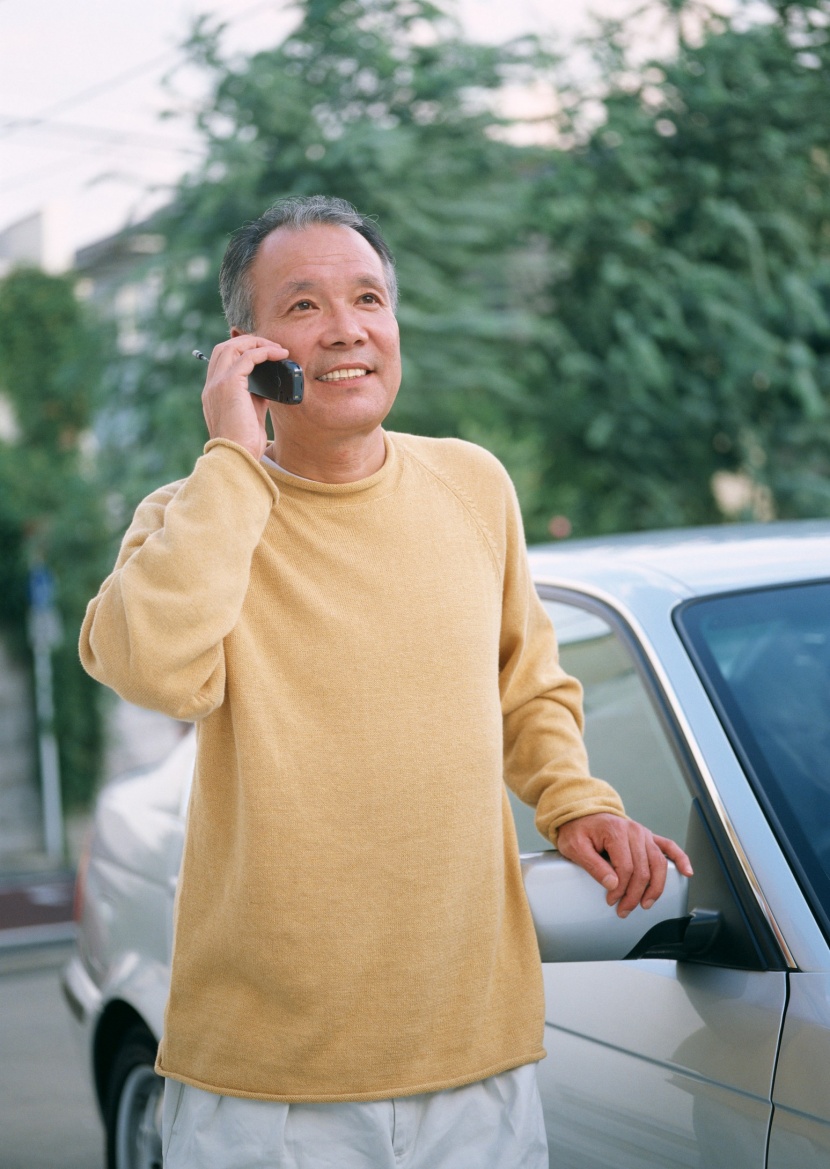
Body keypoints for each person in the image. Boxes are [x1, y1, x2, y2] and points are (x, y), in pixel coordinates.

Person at [80, 195, 692, 1169]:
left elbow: (525, 681)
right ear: (246, 348)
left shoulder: (472, 484)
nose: (345, 328)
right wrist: (234, 456)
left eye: (366, 297)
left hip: (475, 1057)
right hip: (266, 1088)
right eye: (304, 305)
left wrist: (574, 803)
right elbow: (153, 668)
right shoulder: (193, 513)